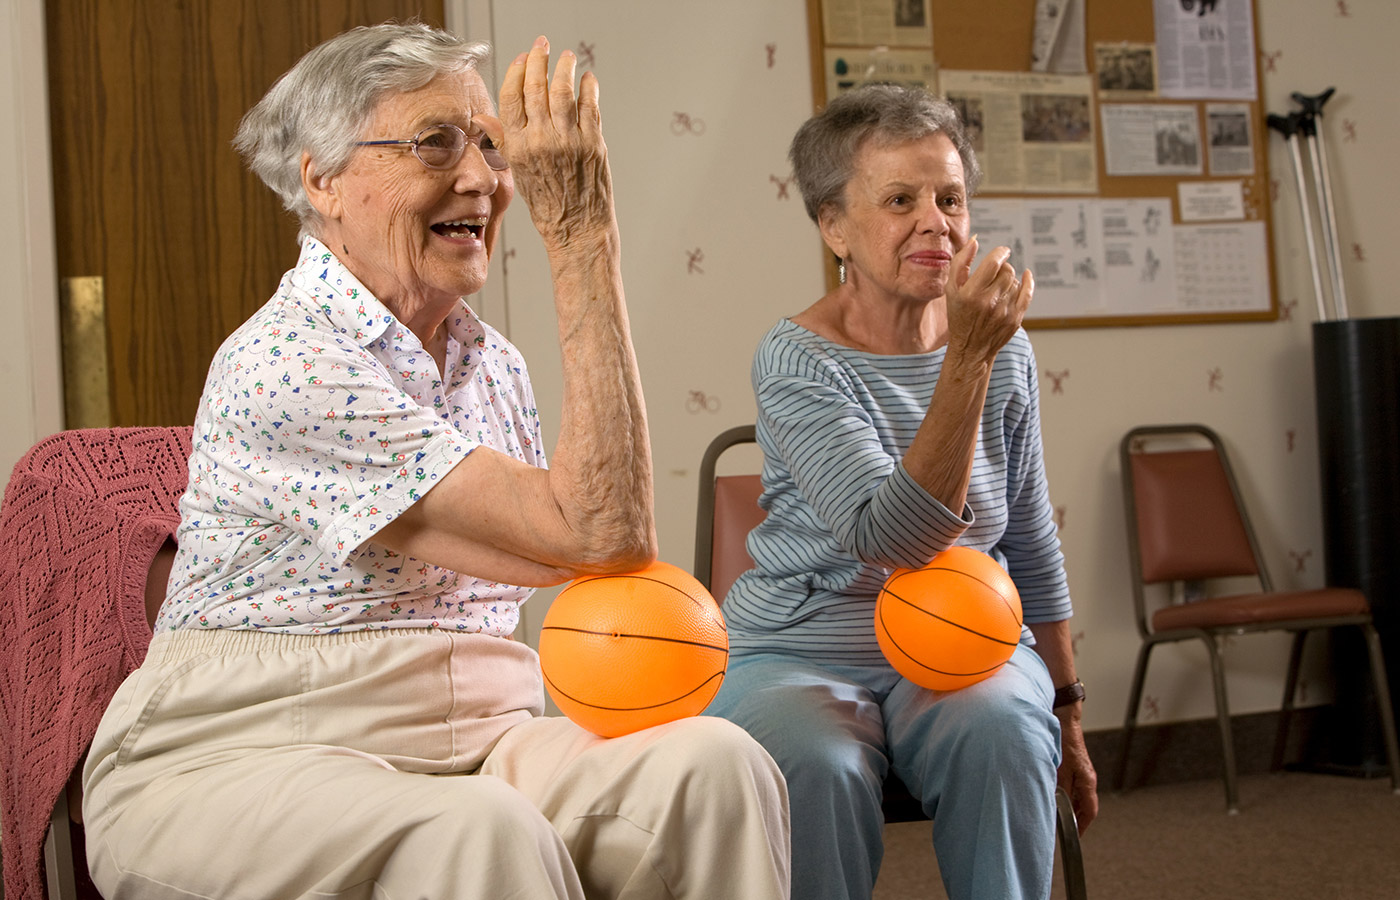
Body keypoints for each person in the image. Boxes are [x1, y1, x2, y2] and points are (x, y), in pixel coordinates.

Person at [80, 23, 789, 900]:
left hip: (477, 737)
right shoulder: (284, 364)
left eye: (490, 144)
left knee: (715, 767)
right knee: (480, 833)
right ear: (322, 179)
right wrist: (580, 234)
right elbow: (596, 533)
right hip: (241, 750)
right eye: (435, 142)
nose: (484, 178)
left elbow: (591, 546)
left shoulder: (493, 363)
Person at [707, 83, 1098, 900]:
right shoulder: (799, 360)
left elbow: (1027, 536)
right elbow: (889, 538)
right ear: (833, 226)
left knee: (1005, 734)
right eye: (900, 200)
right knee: (817, 764)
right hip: (799, 650)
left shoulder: (1003, 349)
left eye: (950, 197)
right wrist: (967, 364)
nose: (937, 222)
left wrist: (1067, 706)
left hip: (965, 647)